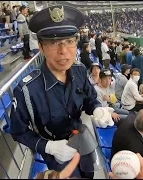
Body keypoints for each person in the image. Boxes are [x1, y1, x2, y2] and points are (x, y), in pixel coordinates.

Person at [10, 5, 114, 178]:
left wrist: (97, 108)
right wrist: (48, 146)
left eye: (69, 41)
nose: (63, 51)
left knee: (90, 174)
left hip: (81, 136)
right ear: (41, 47)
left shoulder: (80, 70)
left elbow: (89, 98)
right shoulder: (27, 90)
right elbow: (18, 131)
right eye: (53, 42)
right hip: (57, 151)